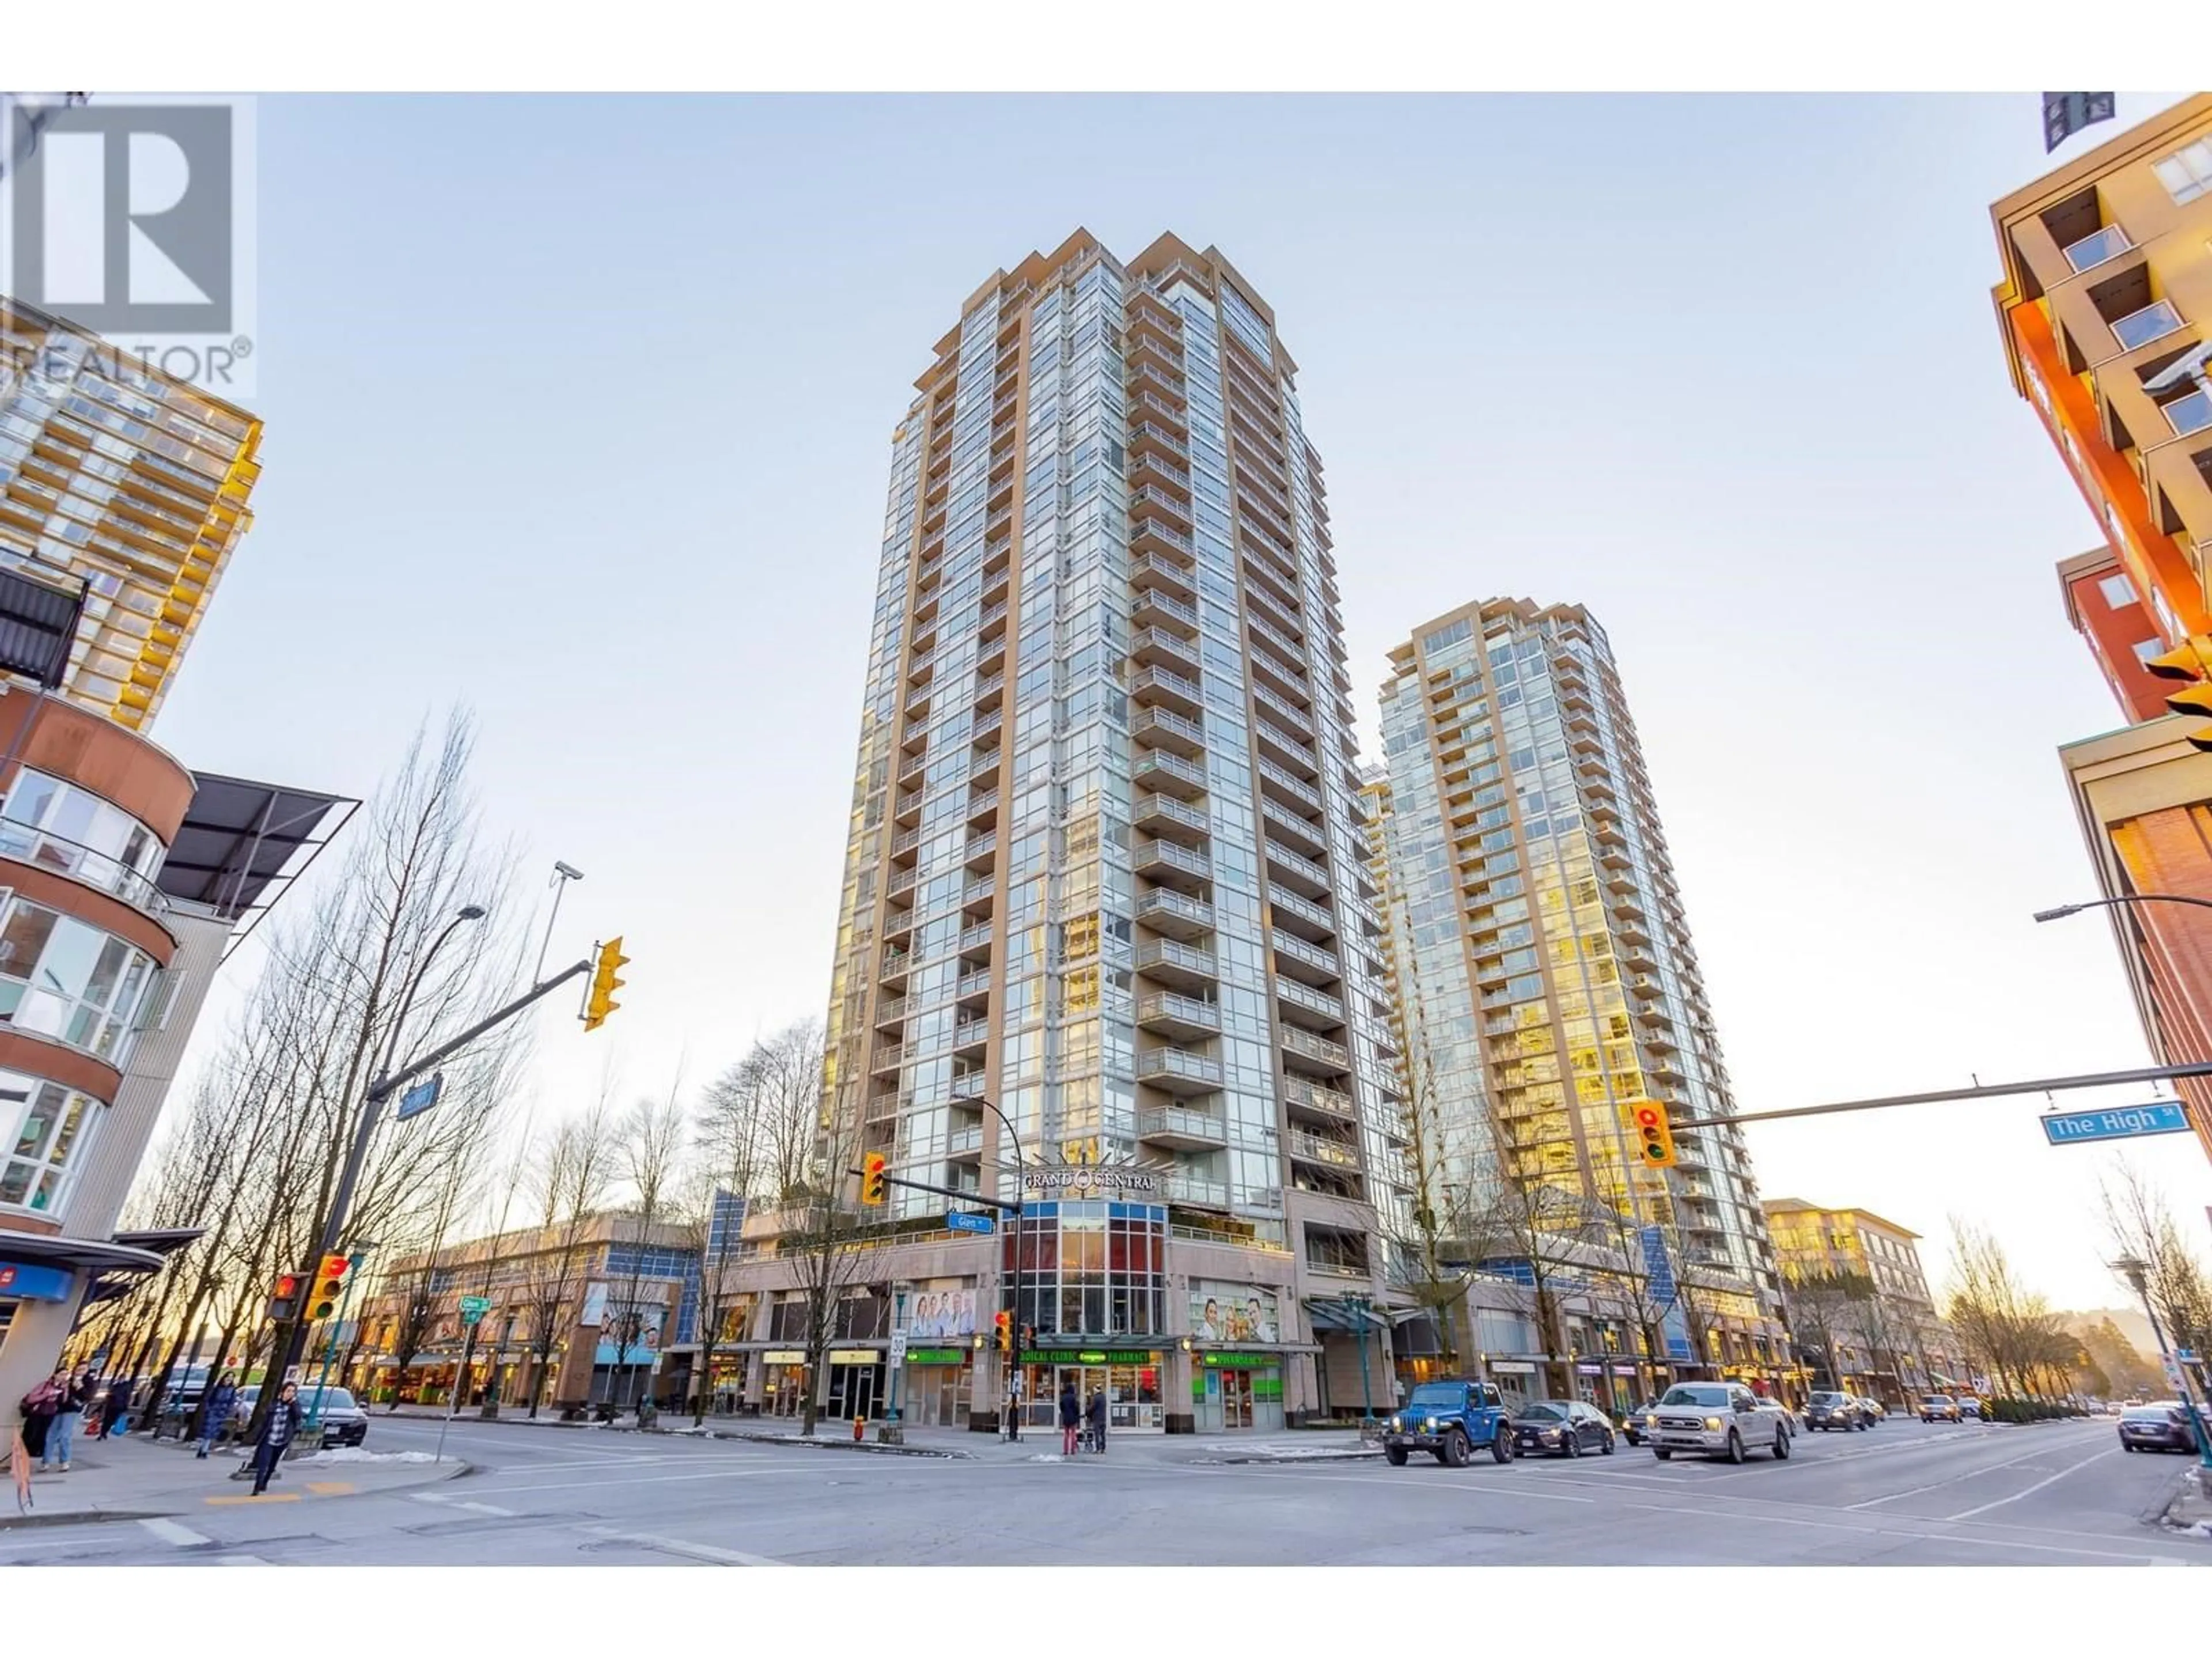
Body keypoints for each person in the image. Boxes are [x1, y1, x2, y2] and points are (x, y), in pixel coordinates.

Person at [249, 1382, 304, 1496]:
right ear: (283, 1392)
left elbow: (298, 1416)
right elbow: (266, 1421)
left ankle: (265, 1482)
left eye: (293, 1392)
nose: (291, 1394)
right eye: (288, 1391)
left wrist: (293, 1404)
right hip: (269, 1438)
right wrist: (258, 1436)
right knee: (264, 1463)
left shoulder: (294, 1406)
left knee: (272, 1463)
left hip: (282, 1440)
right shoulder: (275, 1404)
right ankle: (257, 1487)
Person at [19, 1369, 65, 1470]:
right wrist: (47, 1394)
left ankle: (30, 1460)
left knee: (41, 1438)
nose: (63, 1377)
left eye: (66, 1375)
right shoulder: (45, 1385)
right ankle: (20, 1460)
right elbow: (31, 1399)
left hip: (50, 1415)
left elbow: (64, 1402)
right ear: (55, 1375)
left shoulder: (64, 1388)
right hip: (38, 1414)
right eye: (61, 1374)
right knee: (29, 1436)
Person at [198, 1372, 238, 1459]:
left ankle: (203, 1449)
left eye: (232, 1377)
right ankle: (204, 1451)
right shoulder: (217, 1388)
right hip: (213, 1410)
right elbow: (209, 1399)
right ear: (224, 1377)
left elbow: (232, 1402)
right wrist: (208, 1409)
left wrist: (228, 1411)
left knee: (213, 1432)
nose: (229, 1379)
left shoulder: (232, 1390)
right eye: (228, 1377)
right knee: (208, 1431)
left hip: (222, 1412)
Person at [1058, 1378, 1081, 1457]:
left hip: (1066, 1418)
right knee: (1073, 1434)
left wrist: (1064, 1412)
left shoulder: (1063, 1397)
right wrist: (1077, 1414)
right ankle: (1073, 1450)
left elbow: (1061, 1406)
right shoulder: (1073, 1397)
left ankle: (1065, 1450)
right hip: (1073, 1418)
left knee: (1066, 1435)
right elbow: (1076, 1408)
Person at [1086, 1387, 1107, 1456]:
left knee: (1097, 1434)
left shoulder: (1096, 1398)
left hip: (1097, 1418)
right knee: (1103, 1434)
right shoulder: (1104, 1397)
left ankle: (1098, 1449)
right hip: (1103, 1418)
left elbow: (1093, 1408)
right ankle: (1103, 1448)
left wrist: (1088, 1413)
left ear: (1096, 1391)